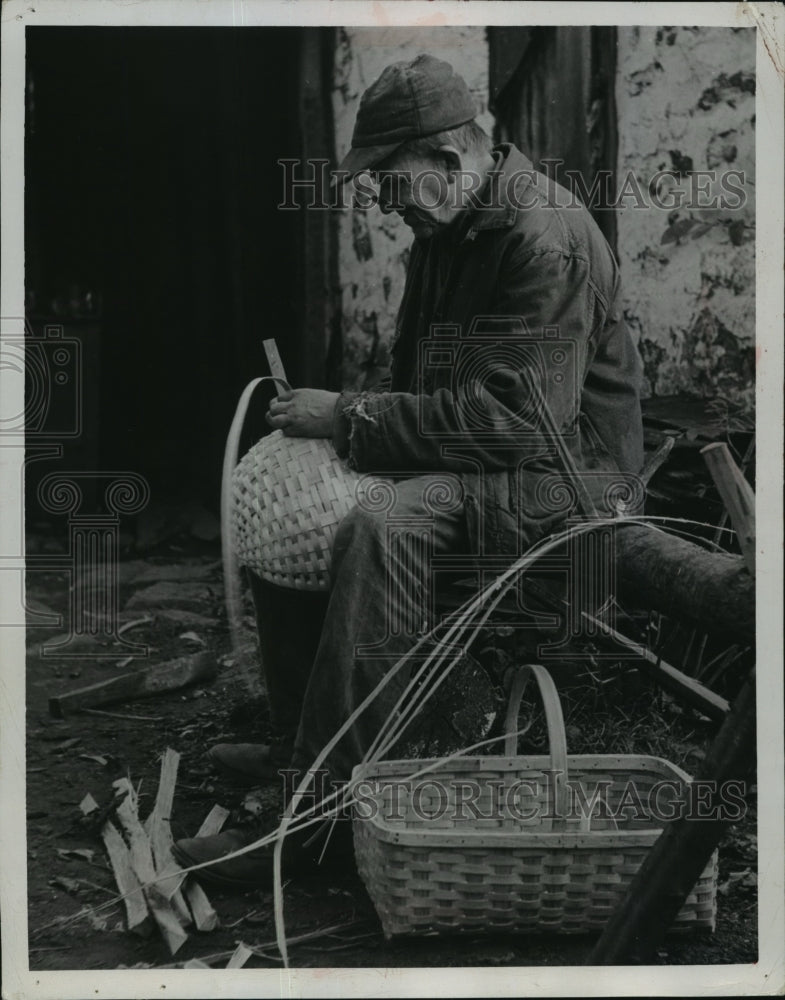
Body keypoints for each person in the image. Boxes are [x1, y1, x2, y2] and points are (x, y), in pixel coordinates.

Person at [173, 53, 644, 887]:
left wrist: (352, 418)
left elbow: (510, 423)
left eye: (389, 181)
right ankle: (302, 737)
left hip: (559, 484)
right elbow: (419, 391)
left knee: (379, 525)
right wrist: (334, 433)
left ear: (448, 159)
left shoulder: (541, 238)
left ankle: (314, 820)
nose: (382, 203)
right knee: (290, 489)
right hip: (483, 460)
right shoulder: (448, 228)